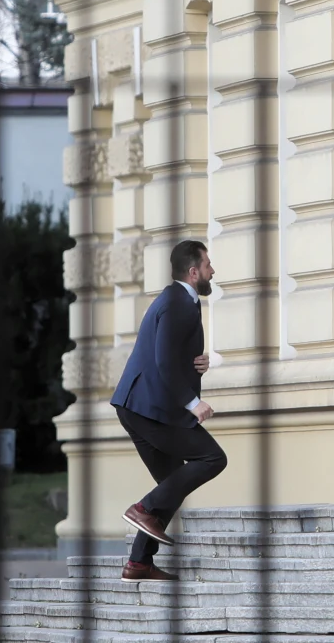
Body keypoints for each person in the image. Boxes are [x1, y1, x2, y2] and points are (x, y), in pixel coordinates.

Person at [110, 240, 227, 582]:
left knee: (173, 482)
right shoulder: (179, 303)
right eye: (208, 265)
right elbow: (162, 361)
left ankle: (139, 563)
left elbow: (166, 352)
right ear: (194, 272)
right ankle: (142, 509)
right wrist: (193, 402)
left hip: (138, 406)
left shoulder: (175, 298)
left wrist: (197, 365)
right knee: (212, 458)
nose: (212, 271)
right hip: (151, 408)